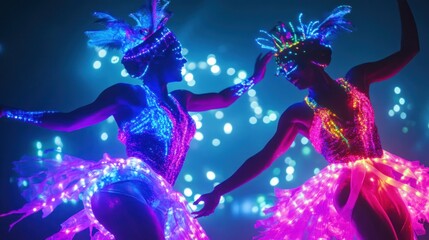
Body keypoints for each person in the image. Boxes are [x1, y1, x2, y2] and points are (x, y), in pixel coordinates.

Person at [0, 0, 272, 239]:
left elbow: (224, 98)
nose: (184, 60)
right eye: (178, 55)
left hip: (159, 198)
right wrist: (10, 112)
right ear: (157, 59)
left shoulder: (182, 100)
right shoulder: (126, 95)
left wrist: (254, 79)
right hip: (126, 190)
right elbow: (69, 121)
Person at [193, 1, 427, 239]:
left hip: (383, 177)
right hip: (350, 188)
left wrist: (402, 3)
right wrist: (219, 191)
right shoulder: (298, 114)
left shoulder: (358, 79)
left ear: (313, 61)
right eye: (283, 72)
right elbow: (264, 158)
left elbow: (410, 50)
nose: (288, 76)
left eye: (291, 67)